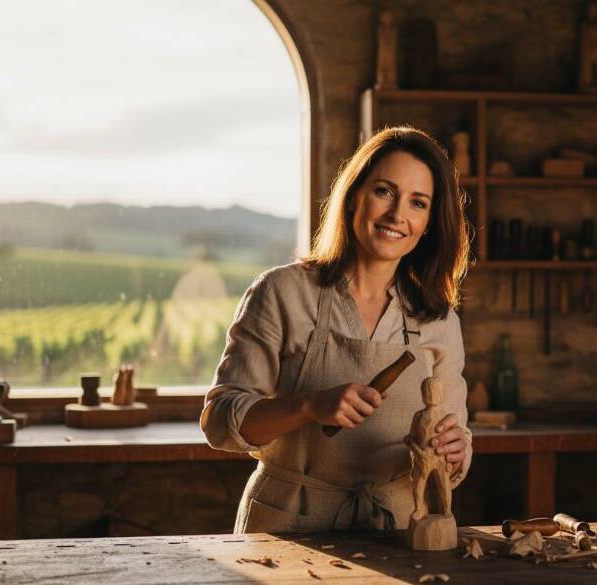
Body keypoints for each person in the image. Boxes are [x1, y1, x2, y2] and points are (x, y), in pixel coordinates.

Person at [200, 126, 473, 534]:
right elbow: (219, 423)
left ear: (429, 223)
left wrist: (456, 450)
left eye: (418, 203)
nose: (398, 214)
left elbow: (454, 446)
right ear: (353, 198)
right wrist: (308, 406)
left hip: (399, 529)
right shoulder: (282, 292)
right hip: (288, 524)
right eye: (384, 191)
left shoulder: (438, 320)